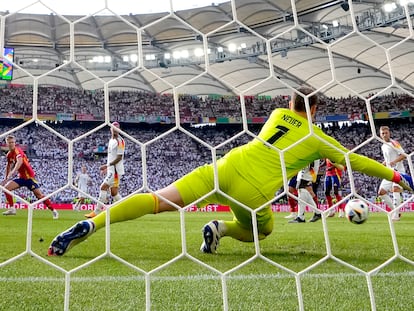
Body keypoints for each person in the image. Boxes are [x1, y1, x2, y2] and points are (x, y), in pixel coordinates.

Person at [47, 87, 414, 256]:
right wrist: (399, 177)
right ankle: (220, 228)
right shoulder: (318, 137)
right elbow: (355, 160)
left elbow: (293, 112)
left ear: (289, 104)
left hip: (224, 166)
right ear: (315, 109)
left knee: (158, 200)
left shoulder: (275, 116)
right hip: (251, 191)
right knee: (264, 229)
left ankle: (92, 224)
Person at [1, 135, 59, 219]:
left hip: (29, 177)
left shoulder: (18, 150)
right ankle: (12, 209)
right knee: (6, 188)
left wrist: (12, 172)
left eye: (13, 142)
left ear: (15, 142)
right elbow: (8, 166)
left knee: (39, 196)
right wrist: (6, 179)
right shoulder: (9, 155)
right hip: (21, 178)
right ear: (6, 143)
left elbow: (19, 162)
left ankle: (53, 210)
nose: (11, 144)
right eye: (9, 143)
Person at [84, 122, 125, 218]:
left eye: (117, 128)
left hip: (115, 171)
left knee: (102, 187)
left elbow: (119, 157)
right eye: (114, 128)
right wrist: (108, 168)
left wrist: (107, 166)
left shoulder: (120, 141)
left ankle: (96, 212)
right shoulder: (111, 140)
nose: (115, 130)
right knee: (114, 193)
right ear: (111, 129)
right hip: (111, 170)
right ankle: (125, 210)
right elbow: (112, 156)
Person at [377, 125, 407, 221]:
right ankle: (395, 211)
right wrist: (382, 165)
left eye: (386, 133)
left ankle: (395, 215)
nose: (385, 135)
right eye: (383, 133)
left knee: (395, 189)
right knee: (381, 192)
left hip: (398, 171)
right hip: (389, 172)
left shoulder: (394, 143)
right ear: (380, 135)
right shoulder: (383, 146)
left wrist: (395, 161)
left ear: (389, 133)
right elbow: (387, 159)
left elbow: (403, 155)